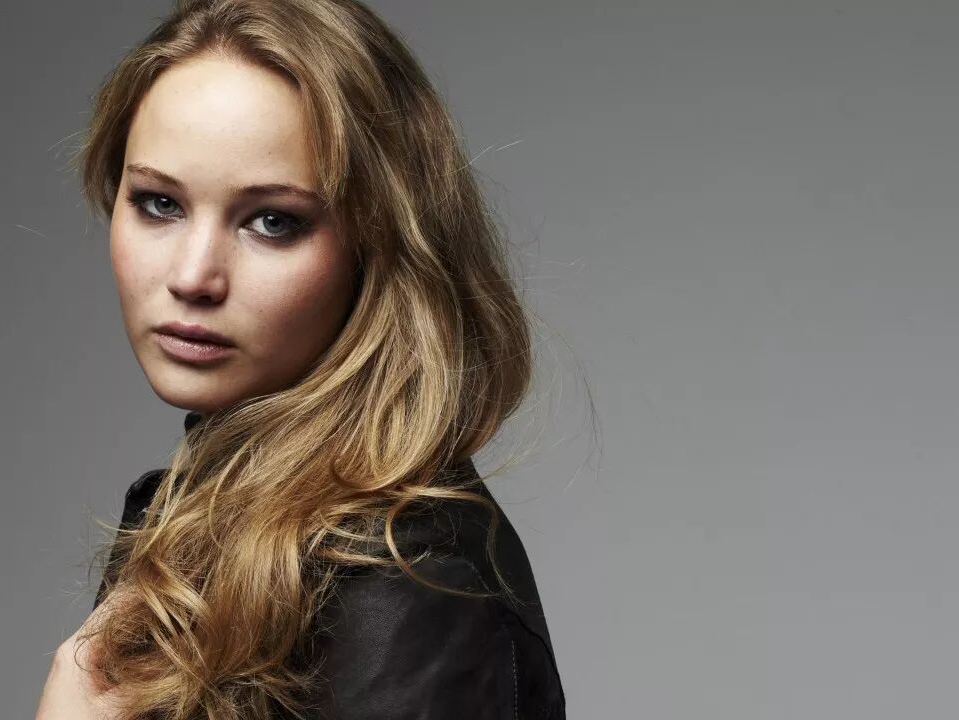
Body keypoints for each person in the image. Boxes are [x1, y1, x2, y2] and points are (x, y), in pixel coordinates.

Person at [35, 1, 567, 717]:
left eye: (272, 221)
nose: (193, 276)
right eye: (160, 204)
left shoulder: (404, 580)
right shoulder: (218, 516)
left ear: (378, 243)